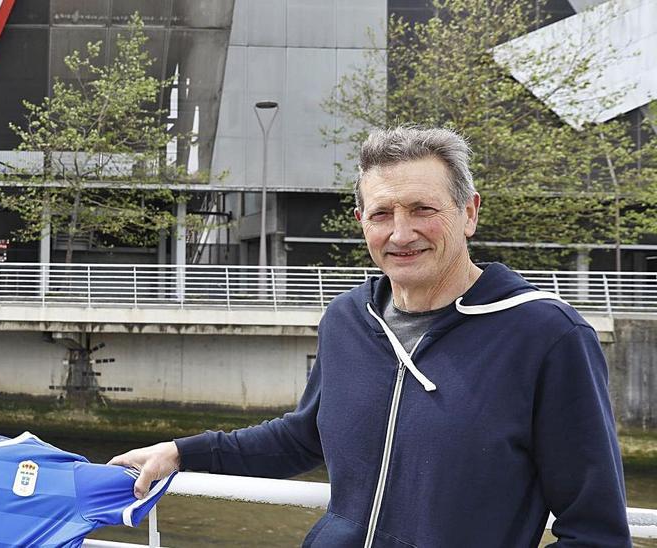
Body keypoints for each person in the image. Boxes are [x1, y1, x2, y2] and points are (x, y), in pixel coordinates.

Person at [109, 127, 630, 546]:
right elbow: (303, 437)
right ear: (362, 222)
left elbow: (596, 532)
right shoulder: (347, 319)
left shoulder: (547, 336)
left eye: (423, 209)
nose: (401, 234)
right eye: (382, 214)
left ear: (468, 212)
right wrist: (182, 452)